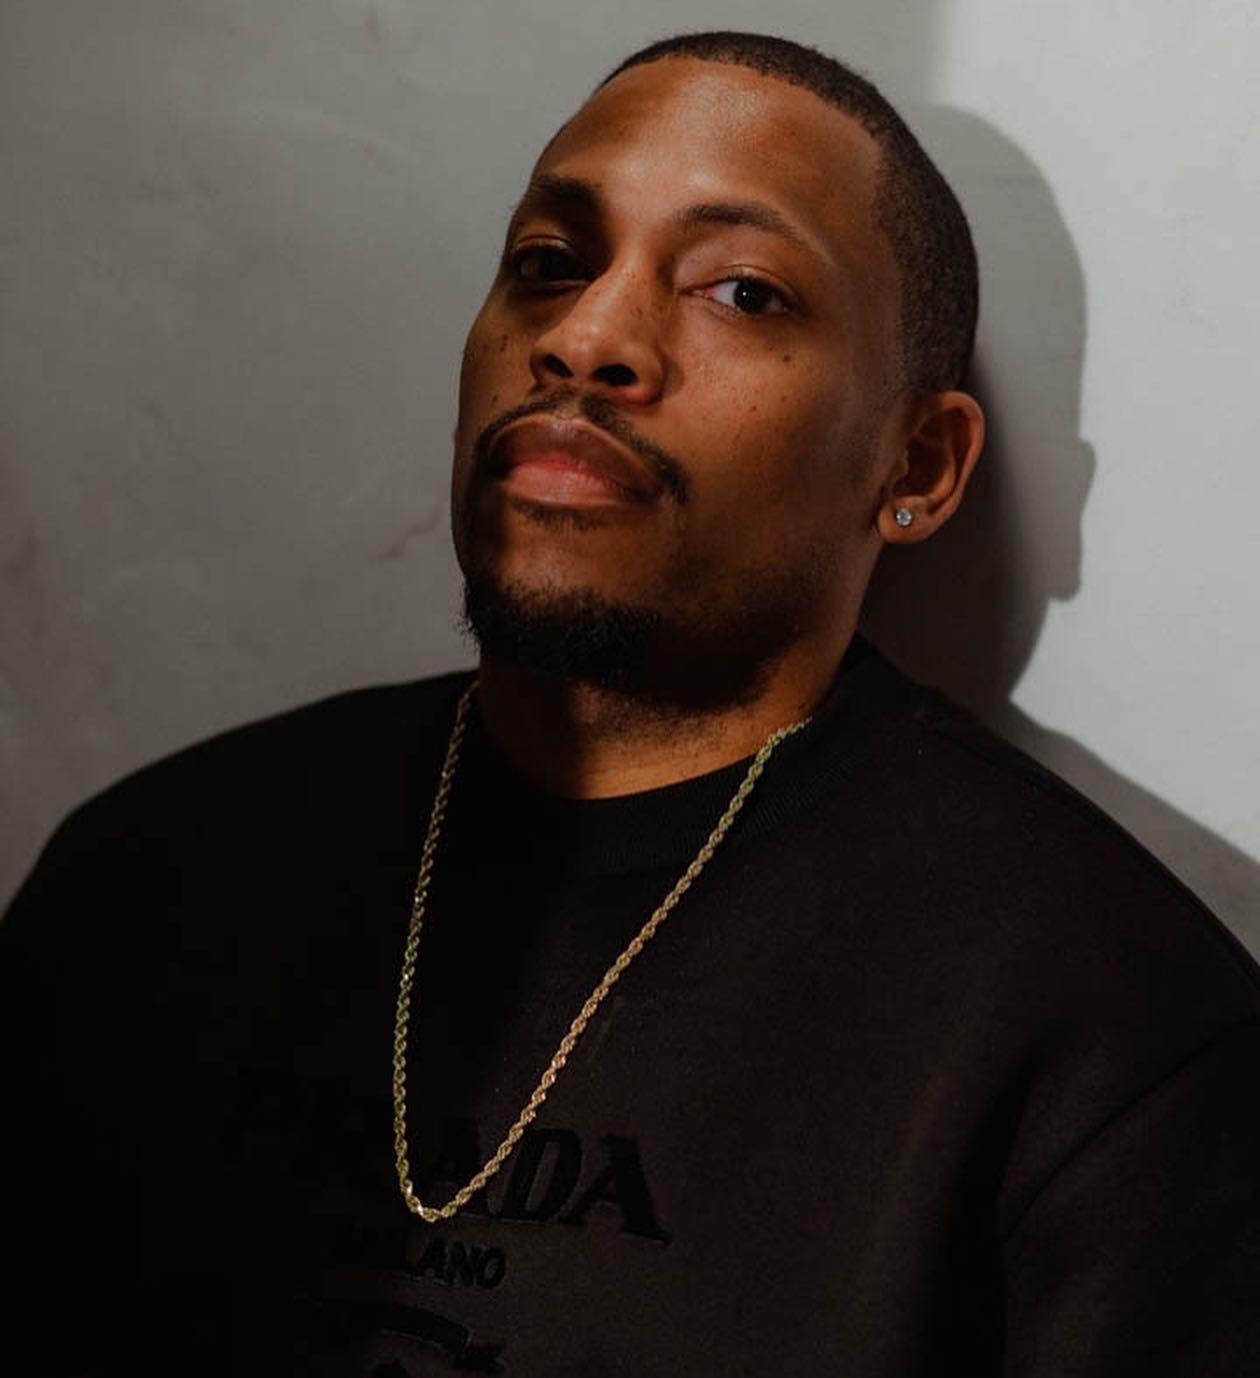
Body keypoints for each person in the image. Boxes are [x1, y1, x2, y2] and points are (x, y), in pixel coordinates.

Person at [2, 30, 1257, 1378]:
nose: (585, 337)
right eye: (550, 263)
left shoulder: (1103, 1027)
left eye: (743, 291)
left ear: (918, 464)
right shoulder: (153, 874)